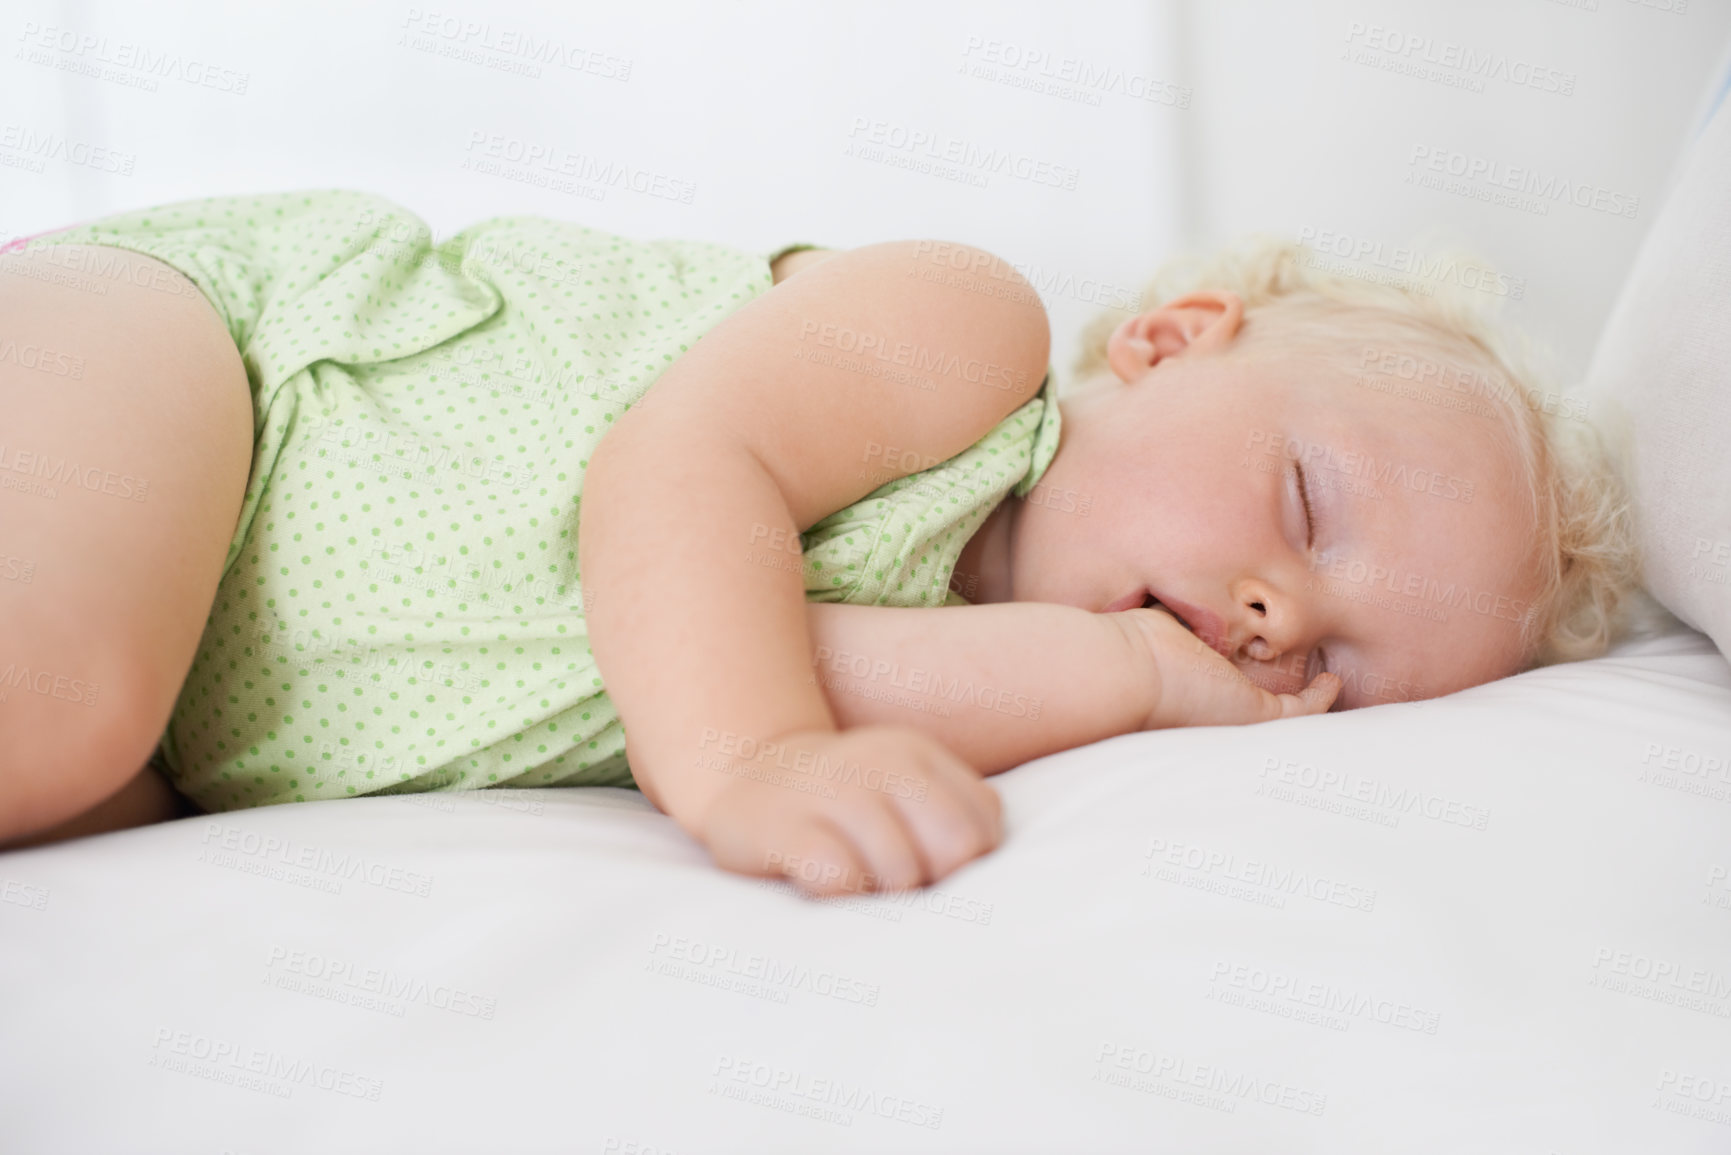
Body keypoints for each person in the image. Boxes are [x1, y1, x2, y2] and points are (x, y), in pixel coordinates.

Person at [0, 191, 1638, 895]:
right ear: (1175, 339)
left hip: (195, 709)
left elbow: (771, 658)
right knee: (61, 691)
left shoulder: (1008, 697)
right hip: (216, 368)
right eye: (1303, 510)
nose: (1285, 614)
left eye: (1346, 666)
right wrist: (753, 759)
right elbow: (675, 479)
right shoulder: (962, 335)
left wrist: (1136, 674)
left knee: (71, 780)